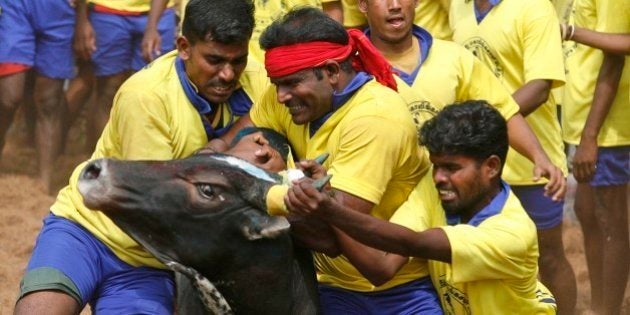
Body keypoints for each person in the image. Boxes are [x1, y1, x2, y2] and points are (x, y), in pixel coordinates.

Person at [13, 1, 268, 313]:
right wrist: (231, 154)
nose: (228, 74)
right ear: (184, 47)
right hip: (87, 230)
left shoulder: (258, 79)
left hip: (150, 260)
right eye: (214, 60)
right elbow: (162, 203)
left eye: (237, 61)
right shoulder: (146, 96)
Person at [214, 7, 443, 314]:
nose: (280, 96)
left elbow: (330, 232)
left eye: (292, 83)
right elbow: (223, 149)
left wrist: (263, 181)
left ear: (333, 72)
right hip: (330, 286)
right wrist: (219, 159)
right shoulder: (286, 94)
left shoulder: (375, 118)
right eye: (276, 83)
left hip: (399, 292)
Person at [287, 100, 558, 314]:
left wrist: (330, 209)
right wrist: (331, 197)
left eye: (452, 168)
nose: (439, 177)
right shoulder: (436, 188)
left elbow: (412, 242)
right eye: (436, 165)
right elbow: (381, 267)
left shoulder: (511, 234)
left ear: (491, 167)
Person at [359, 0, 565, 200]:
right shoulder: (353, 69)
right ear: (362, 5)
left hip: (450, 202)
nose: (394, 5)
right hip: (383, 203)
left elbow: (503, 111)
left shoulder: (453, 57)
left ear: (417, 1)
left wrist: (539, 157)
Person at [449, 0, 576, 313]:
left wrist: (481, 126)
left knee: (549, 256)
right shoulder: (459, 7)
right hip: (475, 165)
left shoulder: (533, 8)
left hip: (531, 162)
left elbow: (540, 86)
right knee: (479, 261)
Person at [561, 0, 630, 314]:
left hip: (606, 128)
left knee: (610, 222)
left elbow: (617, 53)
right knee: (586, 212)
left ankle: (607, 308)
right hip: (585, 122)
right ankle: (602, 304)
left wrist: (591, 136)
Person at [72, 0, 177, 158]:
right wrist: (81, 19)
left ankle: (144, 159)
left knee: (153, 91)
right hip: (107, 10)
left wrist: (151, 26)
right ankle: (104, 162)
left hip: (159, 13)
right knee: (107, 91)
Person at [0, 0, 75, 193]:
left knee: (50, 101)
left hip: (60, 11)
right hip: (16, 7)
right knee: (9, 96)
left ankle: (44, 184)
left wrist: (82, 15)